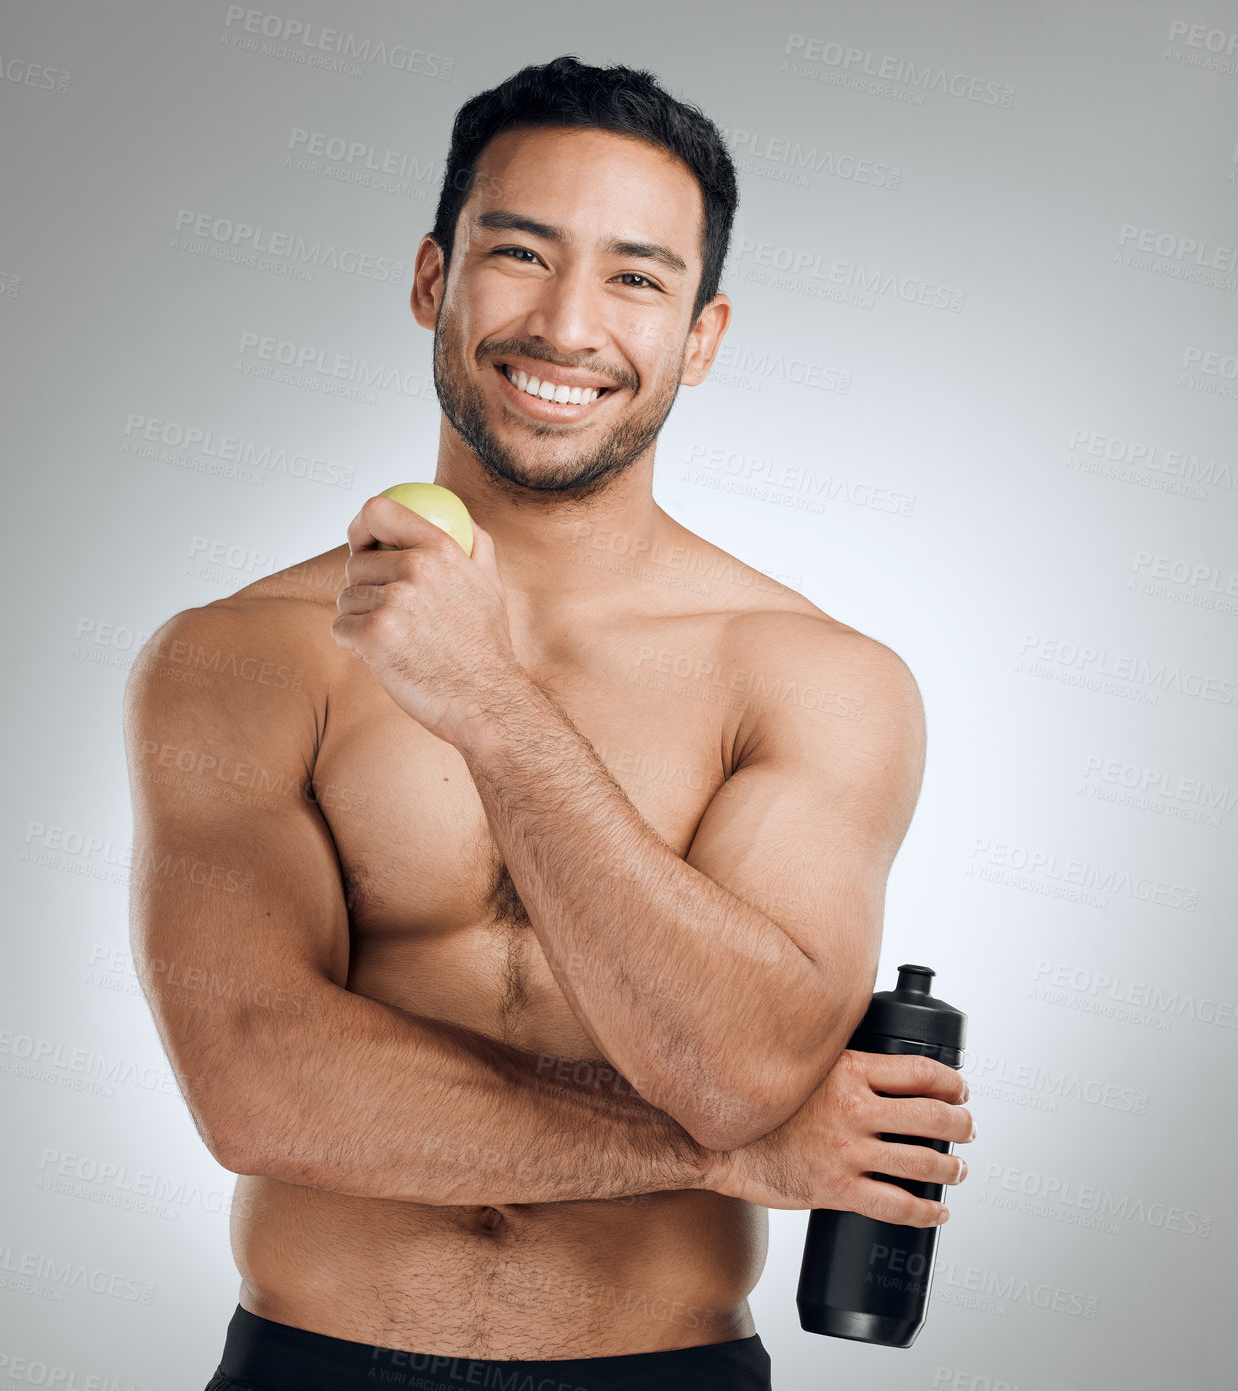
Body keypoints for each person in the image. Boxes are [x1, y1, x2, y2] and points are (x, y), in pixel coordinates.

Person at [124, 54, 974, 1391]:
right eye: (518, 254)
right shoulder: (238, 656)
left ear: (701, 335)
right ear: (431, 280)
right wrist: (708, 1159)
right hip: (311, 1364)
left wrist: (495, 712)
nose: (567, 326)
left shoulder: (814, 679)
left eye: (636, 276)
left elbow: (740, 1071)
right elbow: (256, 1083)